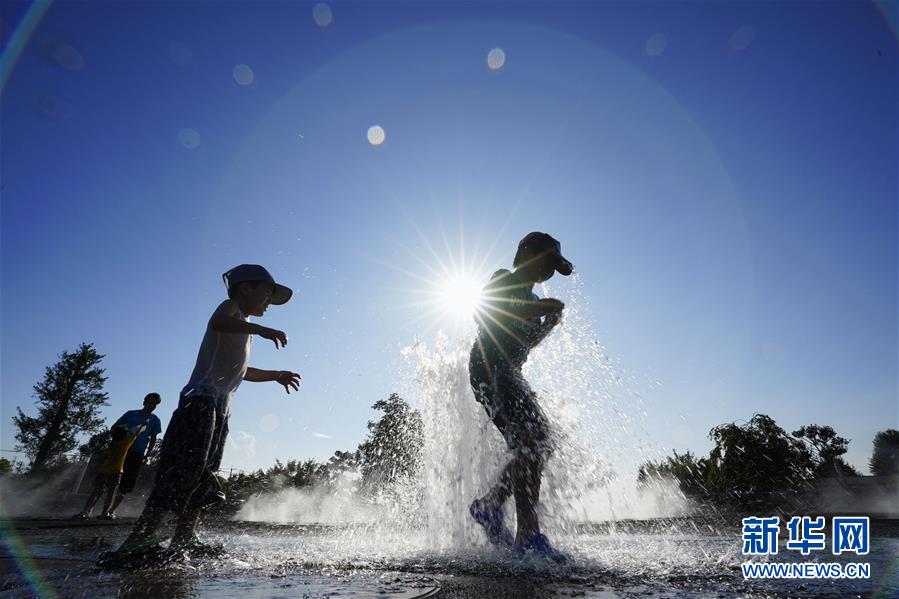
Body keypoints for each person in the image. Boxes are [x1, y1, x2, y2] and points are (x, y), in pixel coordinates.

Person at [99, 264, 301, 565]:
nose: (269, 301)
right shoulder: (230, 309)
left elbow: (241, 371)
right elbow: (219, 321)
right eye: (267, 293)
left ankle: (184, 537)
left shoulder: (243, 326)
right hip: (199, 403)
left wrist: (275, 375)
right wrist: (262, 329)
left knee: (202, 475)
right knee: (180, 470)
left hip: (220, 410)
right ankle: (141, 538)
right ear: (246, 288)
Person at [468, 232, 572, 560]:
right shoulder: (503, 278)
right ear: (526, 254)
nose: (549, 273)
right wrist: (540, 307)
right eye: (546, 262)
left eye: (553, 268)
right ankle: (528, 534)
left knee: (537, 444)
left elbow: (525, 345)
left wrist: (549, 324)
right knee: (533, 440)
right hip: (490, 369)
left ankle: (489, 505)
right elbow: (484, 310)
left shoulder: (532, 304)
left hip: (510, 373)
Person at [104, 392, 163, 518]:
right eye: (149, 402)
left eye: (154, 404)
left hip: (138, 453)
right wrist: (117, 439)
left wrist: (148, 454)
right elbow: (115, 427)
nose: (151, 406)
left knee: (127, 482)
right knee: (111, 478)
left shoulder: (155, 420)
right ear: (144, 402)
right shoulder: (131, 414)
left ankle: (111, 510)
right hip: (122, 450)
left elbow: (153, 438)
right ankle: (100, 508)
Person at [74, 423, 147, 519]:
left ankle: (85, 511)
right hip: (116, 471)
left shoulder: (112, 444)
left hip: (104, 470)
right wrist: (143, 425)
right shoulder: (125, 443)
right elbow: (136, 433)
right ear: (124, 435)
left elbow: (102, 453)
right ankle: (105, 513)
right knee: (111, 493)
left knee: (96, 491)